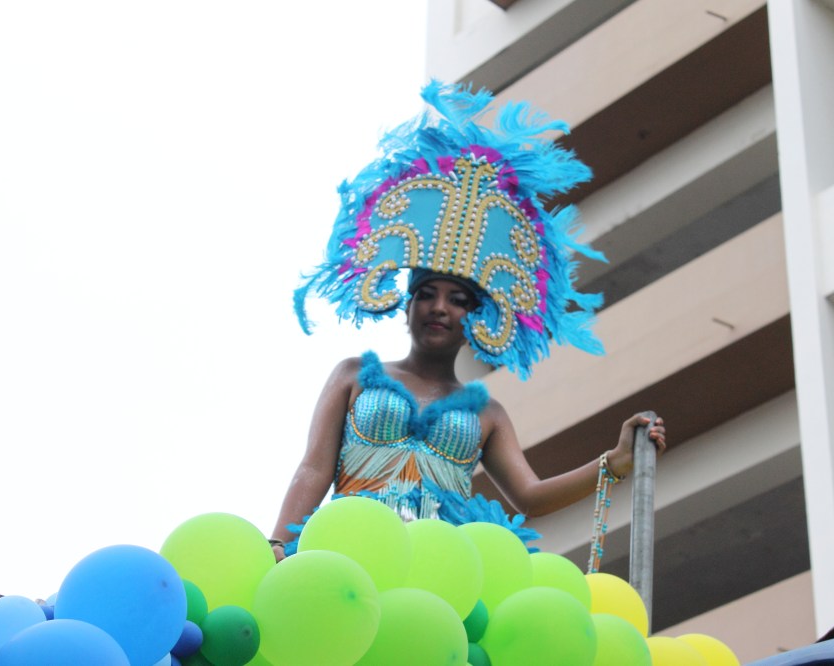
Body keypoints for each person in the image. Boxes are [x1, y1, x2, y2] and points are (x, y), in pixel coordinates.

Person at [271, 82, 666, 560]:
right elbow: (314, 469)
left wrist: (616, 462)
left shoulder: (488, 415)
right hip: (348, 551)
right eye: (427, 294)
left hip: (439, 569)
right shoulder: (353, 375)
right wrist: (277, 543)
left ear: (475, 315)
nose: (440, 307)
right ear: (407, 304)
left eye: (458, 299)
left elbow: (530, 496)